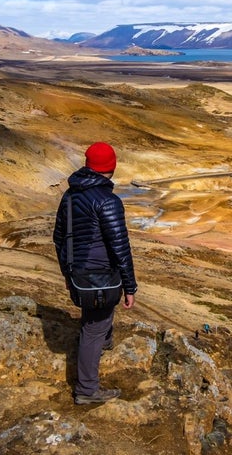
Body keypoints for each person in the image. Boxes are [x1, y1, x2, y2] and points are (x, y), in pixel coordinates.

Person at [52, 142, 138, 405]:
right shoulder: (108, 201)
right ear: (111, 167)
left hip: (79, 274)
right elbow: (120, 247)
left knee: (97, 317)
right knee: (94, 327)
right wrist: (130, 286)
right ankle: (87, 390)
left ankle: (104, 342)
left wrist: (68, 273)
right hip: (100, 276)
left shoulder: (70, 195)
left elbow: (59, 238)